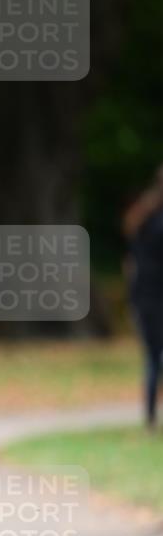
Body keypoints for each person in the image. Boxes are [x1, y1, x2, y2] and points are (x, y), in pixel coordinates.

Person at [122, 166, 163, 429]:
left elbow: (129, 263)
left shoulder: (144, 215)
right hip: (156, 298)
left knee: (152, 358)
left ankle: (149, 417)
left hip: (142, 298)